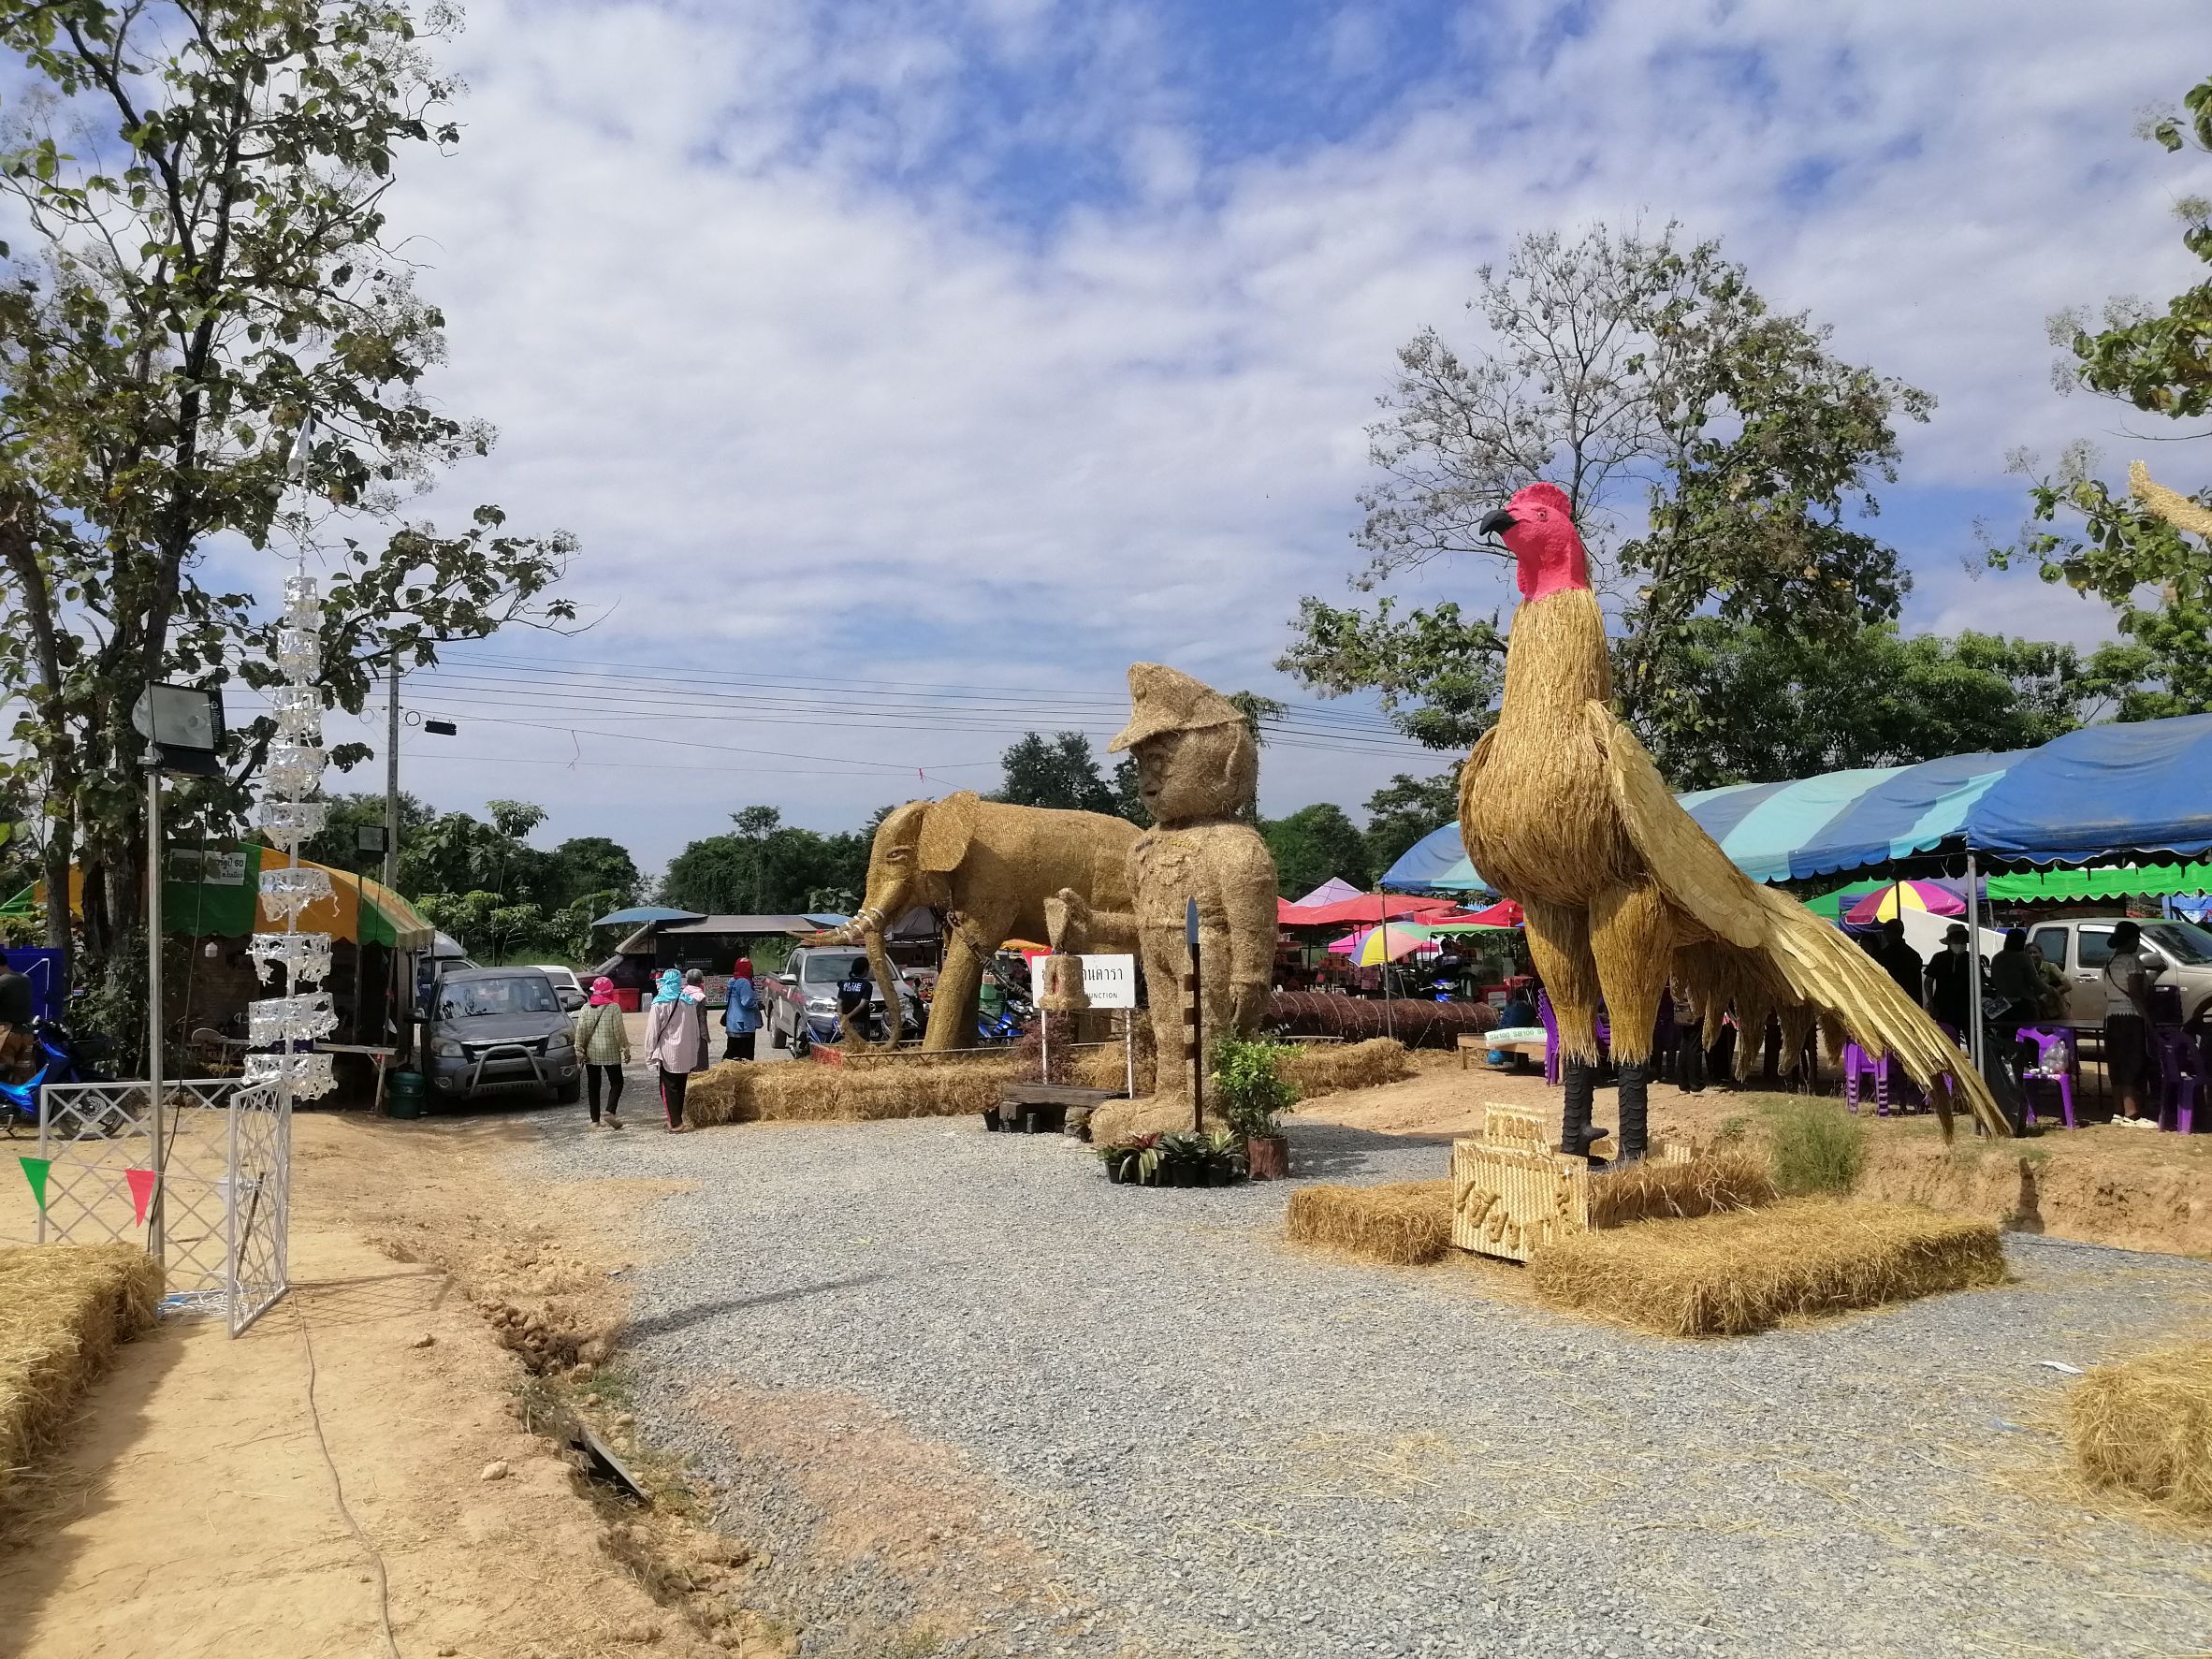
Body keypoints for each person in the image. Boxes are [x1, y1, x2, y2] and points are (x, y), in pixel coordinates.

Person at [2103, 921, 2158, 1128]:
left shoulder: (2109, 961)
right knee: (2132, 1063)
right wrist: (2148, 1019)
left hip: (2111, 1015)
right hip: (2130, 1016)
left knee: (2116, 1063)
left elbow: (2108, 992)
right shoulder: (2131, 962)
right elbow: (2136, 994)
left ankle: (2118, 1112)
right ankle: (2132, 1113)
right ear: (2132, 939)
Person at [645, 968, 706, 1131]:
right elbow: (695, 1030)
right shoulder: (688, 1001)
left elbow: (652, 1032)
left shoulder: (659, 1002)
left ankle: (675, 1123)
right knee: (680, 1087)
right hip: (685, 1053)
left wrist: (649, 1055)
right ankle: (677, 1119)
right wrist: (694, 1051)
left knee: (668, 1088)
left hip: (668, 1053)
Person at [573, 977, 631, 1128]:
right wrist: (625, 1049)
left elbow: (581, 1032)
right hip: (610, 1052)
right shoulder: (614, 1008)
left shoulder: (585, 1008)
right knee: (617, 1082)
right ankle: (610, 1112)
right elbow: (619, 1031)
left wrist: (579, 1050)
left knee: (593, 1085)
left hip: (592, 1052)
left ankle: (595, 1121)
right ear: (609, 991)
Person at [1986, 927, 2044, 1078]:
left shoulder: (1997, 958)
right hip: (2023, 1005)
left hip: (2002, 1005)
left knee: (2005, 1042)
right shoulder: (2023, 958)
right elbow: (2036, 982)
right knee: (2030, 1041)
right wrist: (2051, 991)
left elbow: (1995, 981)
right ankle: (2028, 1072)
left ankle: (2007, 1075)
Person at [1924, 924, 1980, 1035]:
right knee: (1949, 1043)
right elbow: (1928, 982)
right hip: (1943, 1008)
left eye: (1962, 939)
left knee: (1972, 1041)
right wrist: (1932, 1004)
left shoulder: (1972, 959)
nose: (1960, 942)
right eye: (1956, 939)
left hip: (1967, 1009)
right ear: (1949, 941)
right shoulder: (1939, 958)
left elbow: (1981, 982)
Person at [0, 959, 36, 1084]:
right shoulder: (25, 979)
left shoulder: (3, 982)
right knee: (21, 1075)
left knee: (3, 1072)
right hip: (26, 1035)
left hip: (7, 1034)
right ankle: (19, 1104)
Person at [1876, 918, 1925, 1007]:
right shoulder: (1914, 955)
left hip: (1893, 1002)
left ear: (1889, 933)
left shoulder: (1885, 955)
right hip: (1913, 1002)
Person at [722, 956, 762, 1062]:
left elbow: (726, 999)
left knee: (732, 1049)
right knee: (745, 1053)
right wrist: (757, 1003)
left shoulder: (732, 981)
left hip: (732, 1022)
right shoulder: (745, 982)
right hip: (743, 1023)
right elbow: (747, 1002)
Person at [1671, 976, 1706, 1094]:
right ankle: (1696, 1084)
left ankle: (1684, 1084)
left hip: (1682, 1006)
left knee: (1685, 1042)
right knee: (1695, 1043)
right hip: (1692, 1004)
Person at [2028, 939, 2069, 1022]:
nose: (2032, 955)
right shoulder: (2026, 971)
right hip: (2040, 1014)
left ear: (2042, 954)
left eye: (2035, 952)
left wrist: (2048, 995)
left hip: (2057, 1011)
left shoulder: (2050, 968)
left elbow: (2068, 986)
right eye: (2029, 953)